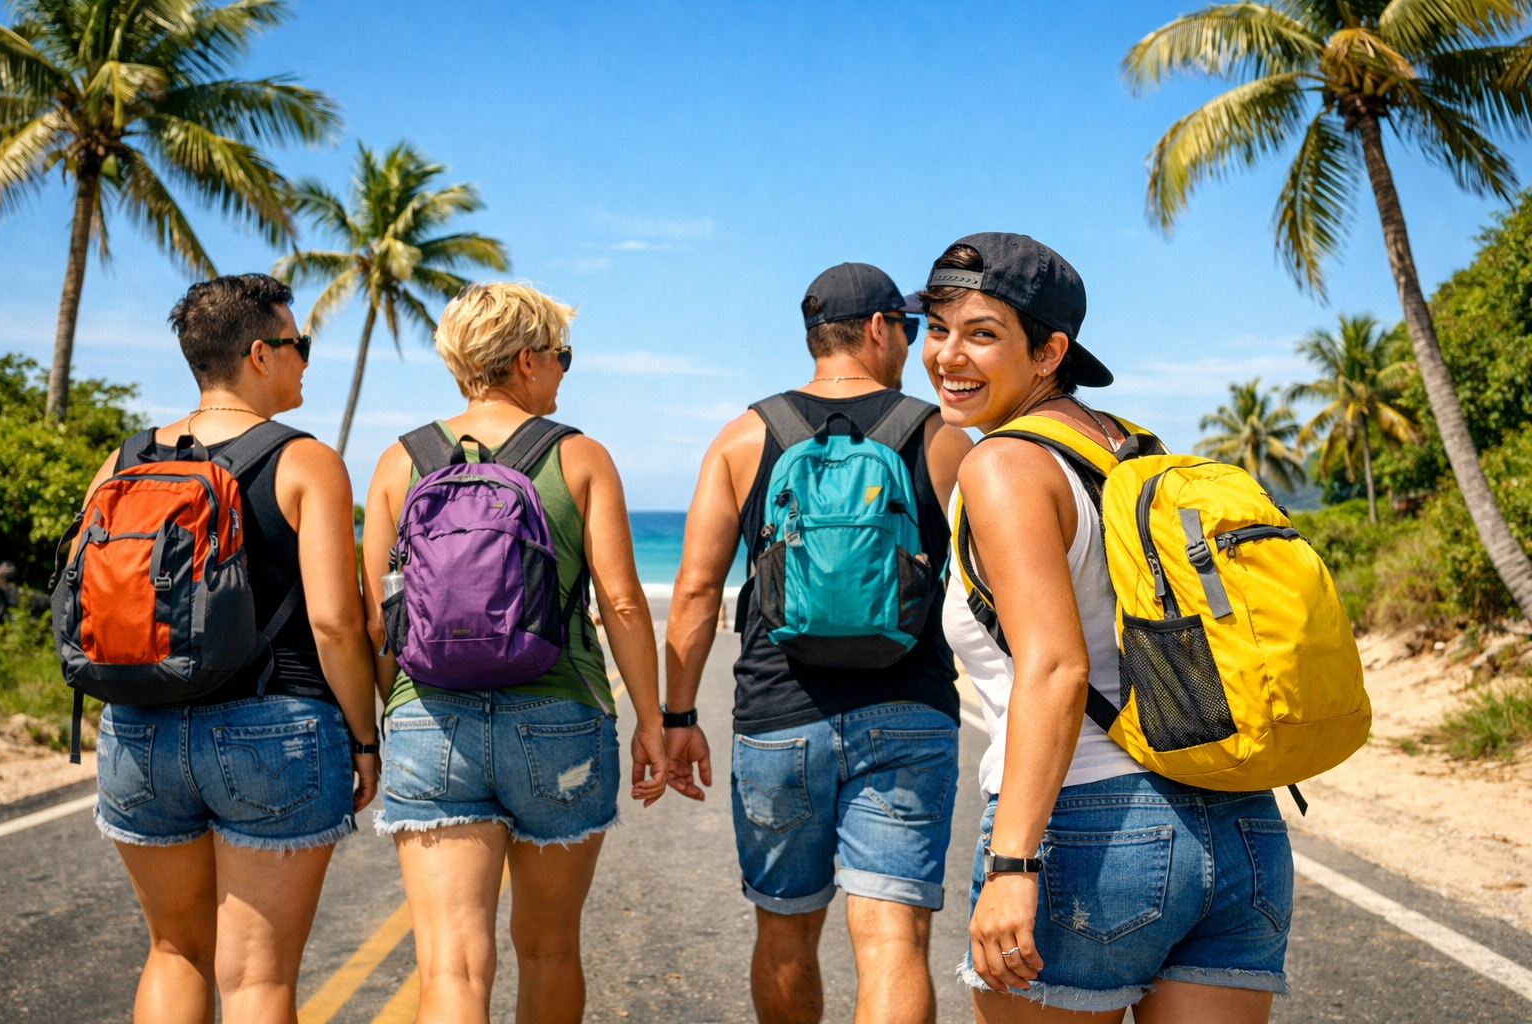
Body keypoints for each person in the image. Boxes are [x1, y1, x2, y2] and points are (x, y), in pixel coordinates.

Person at [923, 233, 1292, 1022]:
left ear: (1050, 350)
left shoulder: (1002, 466)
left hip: (1091, 828)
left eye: (982, 333)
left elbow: (1055, 670)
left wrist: (1013, 862)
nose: (948, 355)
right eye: (936, 327)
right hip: (1242, 826)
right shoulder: (1129, 448)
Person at [664, 263, 973, 1024]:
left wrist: (676, 719)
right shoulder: (937, 436)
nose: (910, 341)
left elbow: (698, 591)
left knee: (784, 932)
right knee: (894, 939)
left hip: (778, 716)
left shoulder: (744, 436)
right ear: (877, 328)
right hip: (908, 711)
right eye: (905, 326)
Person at [362, 281, 669, 1024]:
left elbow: (377, 619)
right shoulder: (580, 456)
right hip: (559, 716)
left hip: (428, 721)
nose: (566, 371)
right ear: (528, 360)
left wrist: (393, 713)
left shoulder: (399, 462)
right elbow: (623, 603)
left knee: (452, 966)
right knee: (550, 950)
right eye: (563, 356)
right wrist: (653, 720)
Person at [80, 274, 381, 1023]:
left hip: (136, 727)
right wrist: (365, 736)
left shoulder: (124, 460)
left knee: (175, 951)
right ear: (258, 353)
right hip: (273, 727)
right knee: (258, 981)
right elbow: (338, 624)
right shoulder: (306, 461)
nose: (306, 361)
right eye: (297, 345)